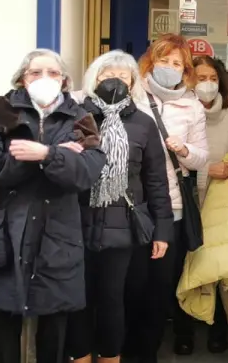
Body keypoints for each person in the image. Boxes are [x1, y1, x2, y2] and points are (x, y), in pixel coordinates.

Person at [0, 49, 106, 363]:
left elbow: (88, 171)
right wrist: (51, 156)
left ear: (64, 80)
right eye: (35, 72)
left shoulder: (81, 117)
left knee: (53, 337)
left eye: (53, 73)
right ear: (22, 79)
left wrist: (46, 155)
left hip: (58, 239)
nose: (44, 78)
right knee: (5, 334)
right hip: (4, 235)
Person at [67, 51, 174, 363]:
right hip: (76, 224)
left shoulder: (143, 124)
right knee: (78, 300)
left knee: (113, 300)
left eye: (122, 76)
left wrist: (162, 230)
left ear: (132, 83)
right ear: (94, 79)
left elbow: (156, 181)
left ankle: (111, 357)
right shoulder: (76, 118)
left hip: (123, 228)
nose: (114, 80)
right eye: (106, 75)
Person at [124, 34, 209, 360]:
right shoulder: (131, 96)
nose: (170, 68)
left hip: (170, 211)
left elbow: (202, 158)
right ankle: (124, 351)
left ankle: (147, 353)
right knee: (129, 287)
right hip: (130, 207)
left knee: (159, 290)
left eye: (177, 64)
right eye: (164, 60)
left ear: (185, 71)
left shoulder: (192, 106)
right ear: (151, 62)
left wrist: (184, 150)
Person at [192, 55, 228, 352]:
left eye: (213, 79)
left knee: (218, 265)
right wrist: (206, 171)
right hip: (188, 200)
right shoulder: (181, 110)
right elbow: (169, 161)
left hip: (220, 203)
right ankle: (183, 329)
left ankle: (216, 330)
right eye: (200, 78)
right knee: (188, 263)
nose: (207, 84)